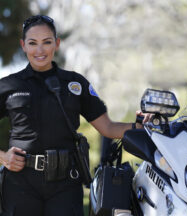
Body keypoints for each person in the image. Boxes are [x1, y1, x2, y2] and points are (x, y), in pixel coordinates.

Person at [0, 15, 149, 216]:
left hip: (65, 184)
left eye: (47, 42)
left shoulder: (75, 84)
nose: (40, 50)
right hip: (20, 183)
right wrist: (3, 158)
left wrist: (142, 125)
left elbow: (108, 127)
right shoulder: (9, 85)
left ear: (57, 44)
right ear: (23, 45)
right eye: (33, 43)